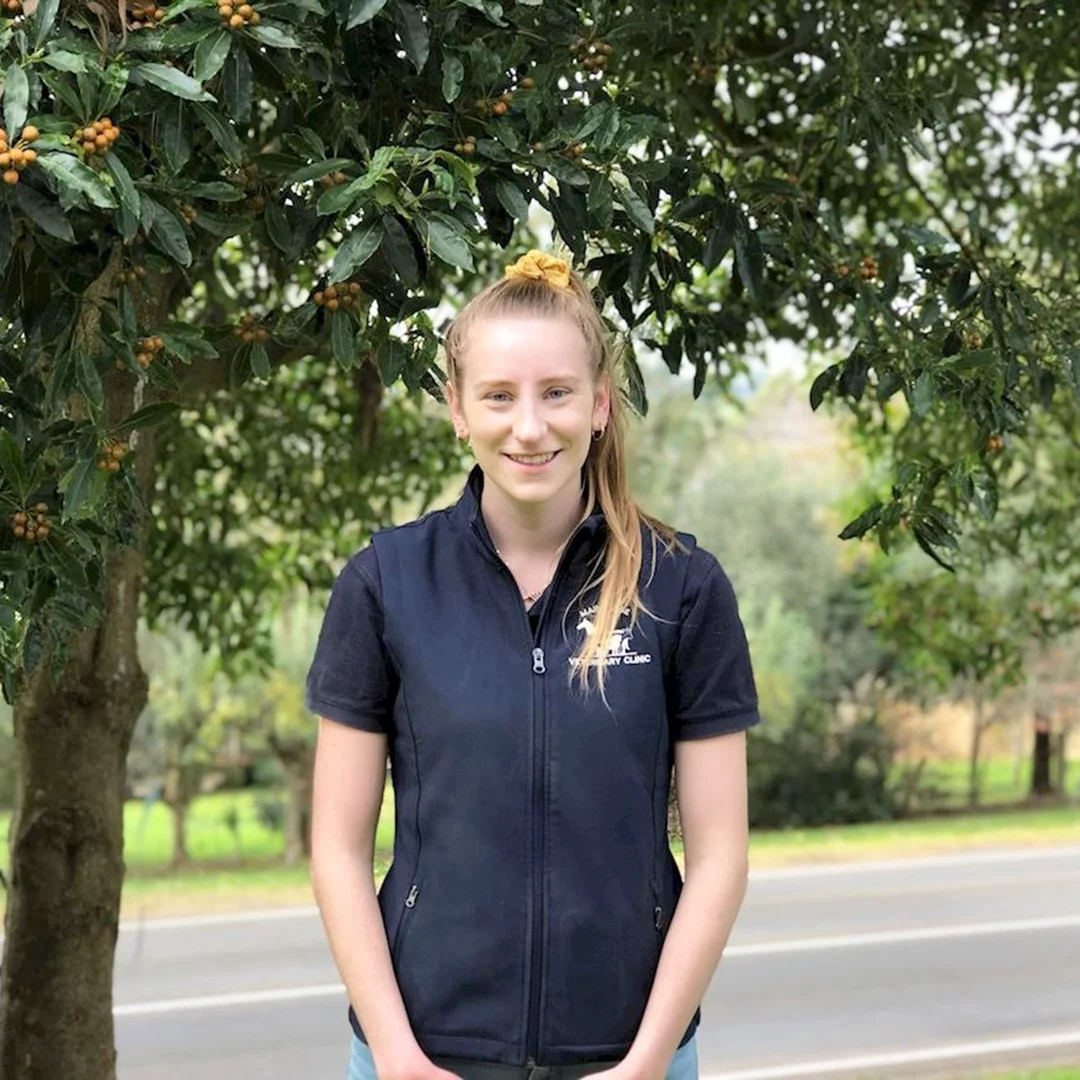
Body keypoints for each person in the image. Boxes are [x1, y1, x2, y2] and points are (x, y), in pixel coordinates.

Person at [306, 250, 761, 1080]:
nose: (528, 426)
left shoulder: (682, 587)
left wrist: (645, 1063)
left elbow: (721, 854)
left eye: (555, 393)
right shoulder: (386, 584)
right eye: (498, 396)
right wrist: (399, 1057)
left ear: (597, 404)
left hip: (630, 1056)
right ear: (456, 409)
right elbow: (337, 848)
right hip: (424, 1056)